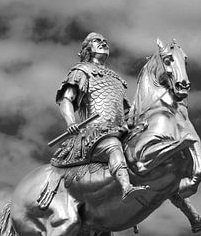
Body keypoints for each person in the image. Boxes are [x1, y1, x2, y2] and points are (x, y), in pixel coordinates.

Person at [51, 32, 148, 200]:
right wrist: (71, 122)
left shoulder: (116, 78)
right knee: (112, 145)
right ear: (88, 48)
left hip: (121, 129)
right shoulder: (81, 71)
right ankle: (126, 187)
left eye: (105, 41)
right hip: (95, 134)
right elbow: (67, 99)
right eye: (97, 41)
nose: (103, 43)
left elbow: (127, 111)